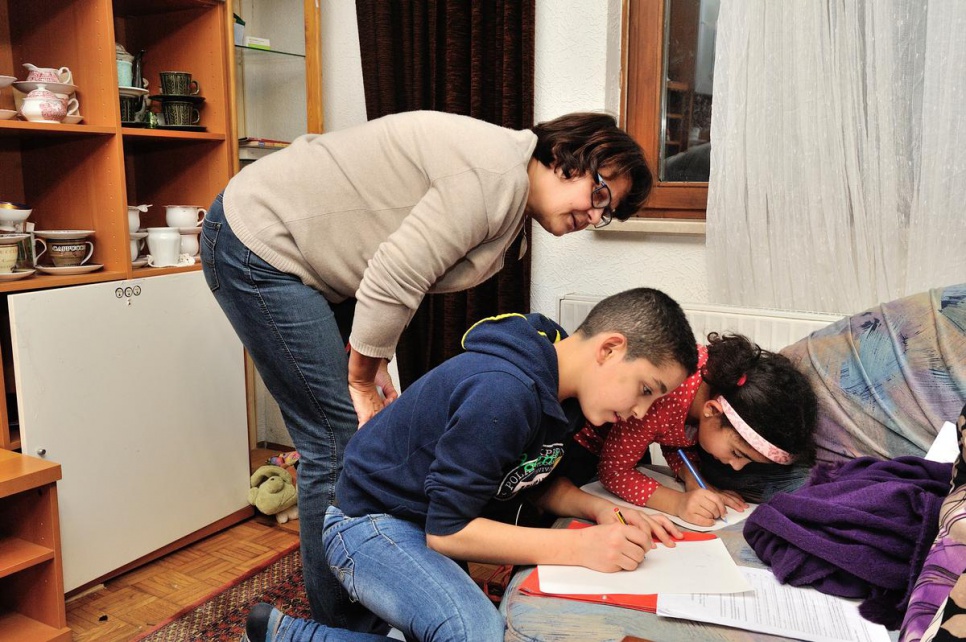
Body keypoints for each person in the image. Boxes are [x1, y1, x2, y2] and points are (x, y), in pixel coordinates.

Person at [199, 110, 654, 625]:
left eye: (608, 213)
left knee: (354, 428)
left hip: (322, 270)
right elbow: (396, 274)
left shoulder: (510, 210)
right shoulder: (492, 177)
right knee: (333, 440)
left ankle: (369, 598)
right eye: (599, 195)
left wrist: (371, 363)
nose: (596, 218)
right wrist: (361, 377)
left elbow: (385, 271)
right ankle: (338, 626)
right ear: (566, 158)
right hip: (259, 239)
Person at [238, 287, 699, 642]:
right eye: (645, 389)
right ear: (610, 349)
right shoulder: (505, 392)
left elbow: (529, 480)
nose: (642, 413)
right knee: (476, 633)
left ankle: (291, 634)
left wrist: (596, 509)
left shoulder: (564, 392)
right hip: (368, 524)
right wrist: (581, 549)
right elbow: (448, 532)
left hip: (422, 522)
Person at [568, 333, 818, 526]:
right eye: (738, 453)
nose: (736, 466)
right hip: (578, 443)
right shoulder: (659, 399)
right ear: (712, 411)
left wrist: (694, 480)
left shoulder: (713, 384)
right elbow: (613, 472)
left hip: (625, 441)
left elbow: (674, 440)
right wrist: (678, 504)